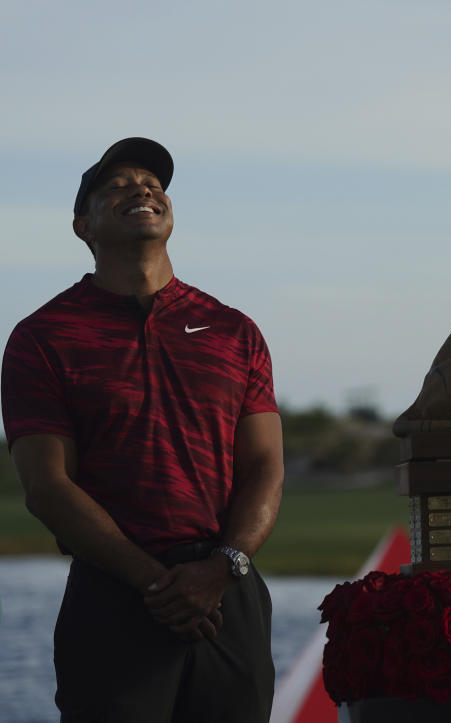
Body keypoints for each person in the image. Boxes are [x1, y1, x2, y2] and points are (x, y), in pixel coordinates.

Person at [1, 138, 284, 722]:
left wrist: (221, 568)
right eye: (118, 186)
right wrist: (160, 585)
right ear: (84, 225)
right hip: (114, 595)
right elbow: (48, 487)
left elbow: (264, 467)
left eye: (153, 184)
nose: (142, 190)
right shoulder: (43, 337)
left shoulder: (235, 331)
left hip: (227, 593)